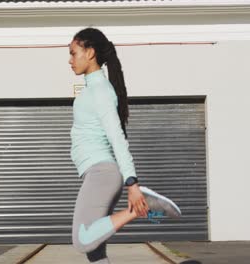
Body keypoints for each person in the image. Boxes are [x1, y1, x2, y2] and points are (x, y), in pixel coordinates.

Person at [69, 27, 181, 264]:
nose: (70, 60)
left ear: (90, 53)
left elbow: (117, 138)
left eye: (73, 53)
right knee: (95, 251)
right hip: (99, 172)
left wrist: (132, 183)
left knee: (82, 238)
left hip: (101, 173)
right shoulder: (94, 88)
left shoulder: (100, 91)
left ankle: (137, 209)